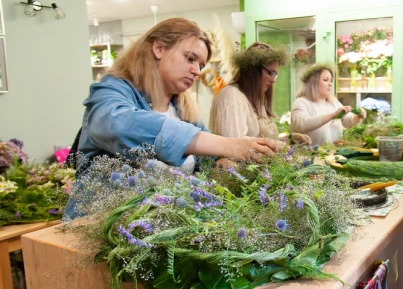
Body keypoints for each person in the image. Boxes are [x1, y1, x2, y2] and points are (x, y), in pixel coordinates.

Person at [71, 18, 276, 176]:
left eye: (201, 65)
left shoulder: (185, 112)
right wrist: (229, 145)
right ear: (159, 49)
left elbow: (208, 161)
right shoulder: (110, 90)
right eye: (190, 58)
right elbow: (118, 126)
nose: (197, 71)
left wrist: (223, 164)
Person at [209, 42, 311, 146]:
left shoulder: (254, 98)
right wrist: (279, 146)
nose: (273, 80)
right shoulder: (232, 96)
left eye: (275, 74)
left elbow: (260, 138)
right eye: (270, 73)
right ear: (253, 70)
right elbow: (235, 146)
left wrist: (288, 139)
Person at [290, 63, 366, 145]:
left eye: (331, 80)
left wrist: (358, 117)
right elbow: (300, 124)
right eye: (326, 80)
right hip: (311, 155)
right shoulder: (302, 102)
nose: (330, 84)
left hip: (334, 155)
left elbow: (348, 121)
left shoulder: (333, 103)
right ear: (312, 82)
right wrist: (332, 115)